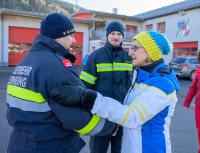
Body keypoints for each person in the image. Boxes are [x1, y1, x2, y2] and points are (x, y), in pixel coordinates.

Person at [51, 31, 180, 153]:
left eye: (135, 48)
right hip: (132, 146)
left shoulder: (163, 84)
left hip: (148, 149)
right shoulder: (141, 77)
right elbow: (127, 107)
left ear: (151, 52)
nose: (130, 53)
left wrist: (89, 99)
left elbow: (132, 116)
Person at [6, 13, 117, 153]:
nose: (74, 40)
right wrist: (110, 127)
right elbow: (78, 119)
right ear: (60, 35)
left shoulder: (24, 63)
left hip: (19, 142)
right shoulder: (55, 66)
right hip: (49, 145)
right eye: (71, 35)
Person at [79, 20, 132, 153]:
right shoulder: (95, 56)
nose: (116, 37)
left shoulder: (129, 57)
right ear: (107, 35)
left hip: (122, 116)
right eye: (113, 33)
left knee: (119, 149)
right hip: (101, 115)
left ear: (122, 37)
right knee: (98, 149)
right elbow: (84, 86)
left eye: (119, 34)